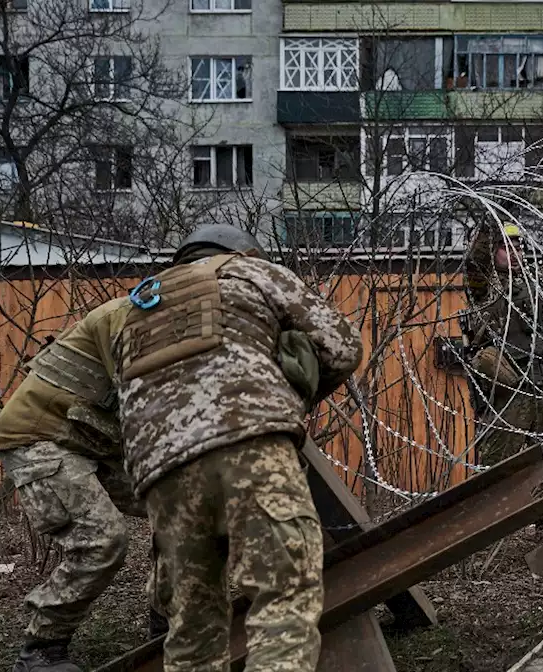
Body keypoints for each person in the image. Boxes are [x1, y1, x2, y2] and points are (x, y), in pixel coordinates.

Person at [114, 224, 363, 672]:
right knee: (283, 595)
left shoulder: (139, 305)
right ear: (246, 251)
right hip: (249, 441)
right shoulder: (251, 272)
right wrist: (293, 394)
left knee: (192, 628)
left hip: (161, 470)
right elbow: (343, 349)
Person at [0, 297, 166, 672]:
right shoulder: (132, 314)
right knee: (102, 538)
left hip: (89, 440)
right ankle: (41, 649)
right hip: (40, 437)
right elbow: (146, 395)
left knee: (182, 505)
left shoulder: (183, 320)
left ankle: (168, 621)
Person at [461, 212, 543, 534]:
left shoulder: (536, 282)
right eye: (505, 247)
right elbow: (475, 265)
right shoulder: (485, 289)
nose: (514, 252)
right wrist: (488, 227)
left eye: (518, 246)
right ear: (492, 251)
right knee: (497, 460)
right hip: (508, 386)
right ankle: (483, 528)